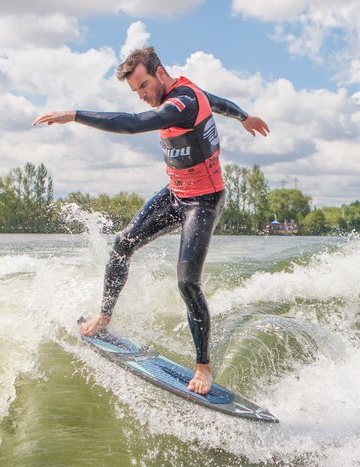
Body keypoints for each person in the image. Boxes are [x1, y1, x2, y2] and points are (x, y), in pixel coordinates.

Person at [33, 46, 269, 395]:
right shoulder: (190, 93)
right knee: (121, 245)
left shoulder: (182, 103)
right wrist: (244, 116)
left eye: (143, 86)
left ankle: (203, 365)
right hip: (175, 193)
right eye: (135, 92)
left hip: (203, 201)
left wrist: (74, 115)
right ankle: (104, 317)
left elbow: (132, 125)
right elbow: (216, 101)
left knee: (188, 282)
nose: (142, 96)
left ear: (160, 74)